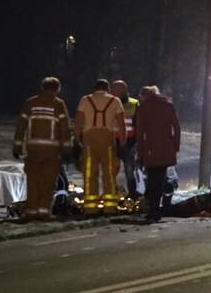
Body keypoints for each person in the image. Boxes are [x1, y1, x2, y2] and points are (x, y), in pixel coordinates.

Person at [14, 77, 71, 222]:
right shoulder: (58, 104)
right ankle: (44, 212)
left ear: (42, 87)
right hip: (51, 150)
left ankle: (31, 212)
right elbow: (64, 127)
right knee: (48, 182)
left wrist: (17, 146)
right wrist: (66, 149)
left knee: (33, 181)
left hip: (33, 149)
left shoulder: (31, 103)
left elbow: (21, 125)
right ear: (57, 89)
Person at [74, 79, 125, 215]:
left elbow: (78, 121)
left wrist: (77, 138)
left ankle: (90, 207)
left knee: (90, 171)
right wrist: (123, 141)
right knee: (109, 171)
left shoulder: (85, 100)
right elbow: (121, 123)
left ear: (95, 88)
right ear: (107, 88)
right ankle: (110, 207)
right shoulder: (115, 101)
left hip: (89, 138)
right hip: (107, 137)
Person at [135, 85, 181, 223]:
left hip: (150, 148)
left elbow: (140, 131)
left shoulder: (144, 107)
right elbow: (176, 127)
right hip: (166, 147)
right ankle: (156, 208)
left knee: (151, 178)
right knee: (160, 177)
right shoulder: (168, 105)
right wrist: (176, 145)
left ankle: (152, 208)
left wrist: (140, 151)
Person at [110, 80, 140, 199]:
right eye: (113, 89)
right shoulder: (109, 103)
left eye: (116, 90)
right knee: (112, 171)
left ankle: (133, 194)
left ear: (124, 90)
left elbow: (138, 125)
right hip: (113, 143)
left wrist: (136, 144)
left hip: (129, 143)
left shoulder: (134, 104)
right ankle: (113, 193)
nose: (114, 92)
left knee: (129, 171)